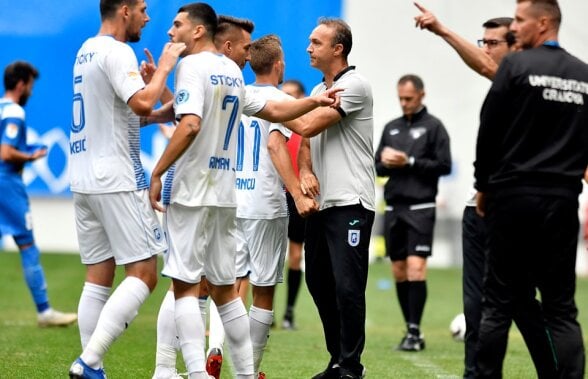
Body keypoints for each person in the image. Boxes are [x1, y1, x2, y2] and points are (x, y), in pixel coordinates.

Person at [149, 6, 340, 379]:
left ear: (203, 34)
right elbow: (275, 112)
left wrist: (158, 171)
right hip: (229, 197)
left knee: (187, 286)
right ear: (230, 45)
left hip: (196, 191)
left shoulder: (195, 67)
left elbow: (189, 124)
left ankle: (187, 371)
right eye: (246, 46)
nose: (248, 53)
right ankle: (247, 373)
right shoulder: (233, 77)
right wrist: (314, 101)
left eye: (178, 24)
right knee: (226, 291)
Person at [414, 5, 563, 378]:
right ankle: (475, 373)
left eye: (492, 42)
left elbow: (483, 65)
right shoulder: (514, 80)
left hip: (509, 211)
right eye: (484, 41)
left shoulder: (521, 78)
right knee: (479, 302)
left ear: (514, 45)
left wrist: (441, 30)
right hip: (478, 210)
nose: (486, 49)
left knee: (520, 303)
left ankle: (550, 369)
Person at [67, 0, 185, 377]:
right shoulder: (118, 52)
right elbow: (142, 102)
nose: (148, 18)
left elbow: (136, 114)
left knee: (98, 275)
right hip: (117, 178)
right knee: (145, 273)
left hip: (84, 179)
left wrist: (163, 103)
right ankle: (88, 361)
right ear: (124, 11)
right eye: (142, 9)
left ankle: (93, 366)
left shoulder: (86, 50)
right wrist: (164, 69)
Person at [474, 0, 588, 377]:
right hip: (562, 200)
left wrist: (483, 187)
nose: (515, 27)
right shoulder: (582, 74)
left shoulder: (516, 66)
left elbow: (488, 130)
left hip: (513, 197)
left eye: (520, 20)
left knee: (498, 302)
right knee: (560, 308)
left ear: (543, 23)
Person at [295, 18, 375, 379]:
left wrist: (264, 102)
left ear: (337, 49)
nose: (309, 48)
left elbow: (308, 125)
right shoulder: (316, 88)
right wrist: (306, 170)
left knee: (347, 285)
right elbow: (307, 143)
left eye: (316, 42)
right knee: (318, 283)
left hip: (351, 203)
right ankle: (336, 359)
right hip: (322, 205)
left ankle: (351, 366)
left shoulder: (354, 85)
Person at [236, 34, 319, 377]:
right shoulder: (280, 100)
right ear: (279, 65)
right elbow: (274, 145)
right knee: (264, 290)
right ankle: (248, 369)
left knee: (228, 286)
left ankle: (213, 350)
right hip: (265, 204)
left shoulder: (237, 95)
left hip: (232, 201)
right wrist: (297, 194)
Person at [375, 74, 452, 352]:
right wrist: (386, 163)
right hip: (394, 208)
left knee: (416, 268)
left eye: (409, 98)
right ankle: (410, 329)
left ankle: (416, 331)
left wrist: (408, 161)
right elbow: (377, 167)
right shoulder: (391, 128)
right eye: (400, 98)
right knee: (398, 271)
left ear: (421, 95)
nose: (404, 103)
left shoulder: (434, 127)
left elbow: (444, 165)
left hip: (421, 208)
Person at [0, 61, 77, 328]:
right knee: (27, 244)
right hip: (6, 184)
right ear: (21, 85)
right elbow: (6, 152)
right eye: (30, 86)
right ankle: (44, 311)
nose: (31, 91)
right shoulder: (14, 113)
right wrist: (30, 155)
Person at [280, 79, 307, 331]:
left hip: (298, 194)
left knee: (296, 256)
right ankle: (262, 311)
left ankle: (289, 312)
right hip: (277, 194)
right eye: (283, 94)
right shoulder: (274, 122)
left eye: (292, 95)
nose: (286, 99)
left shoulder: (307, 125)